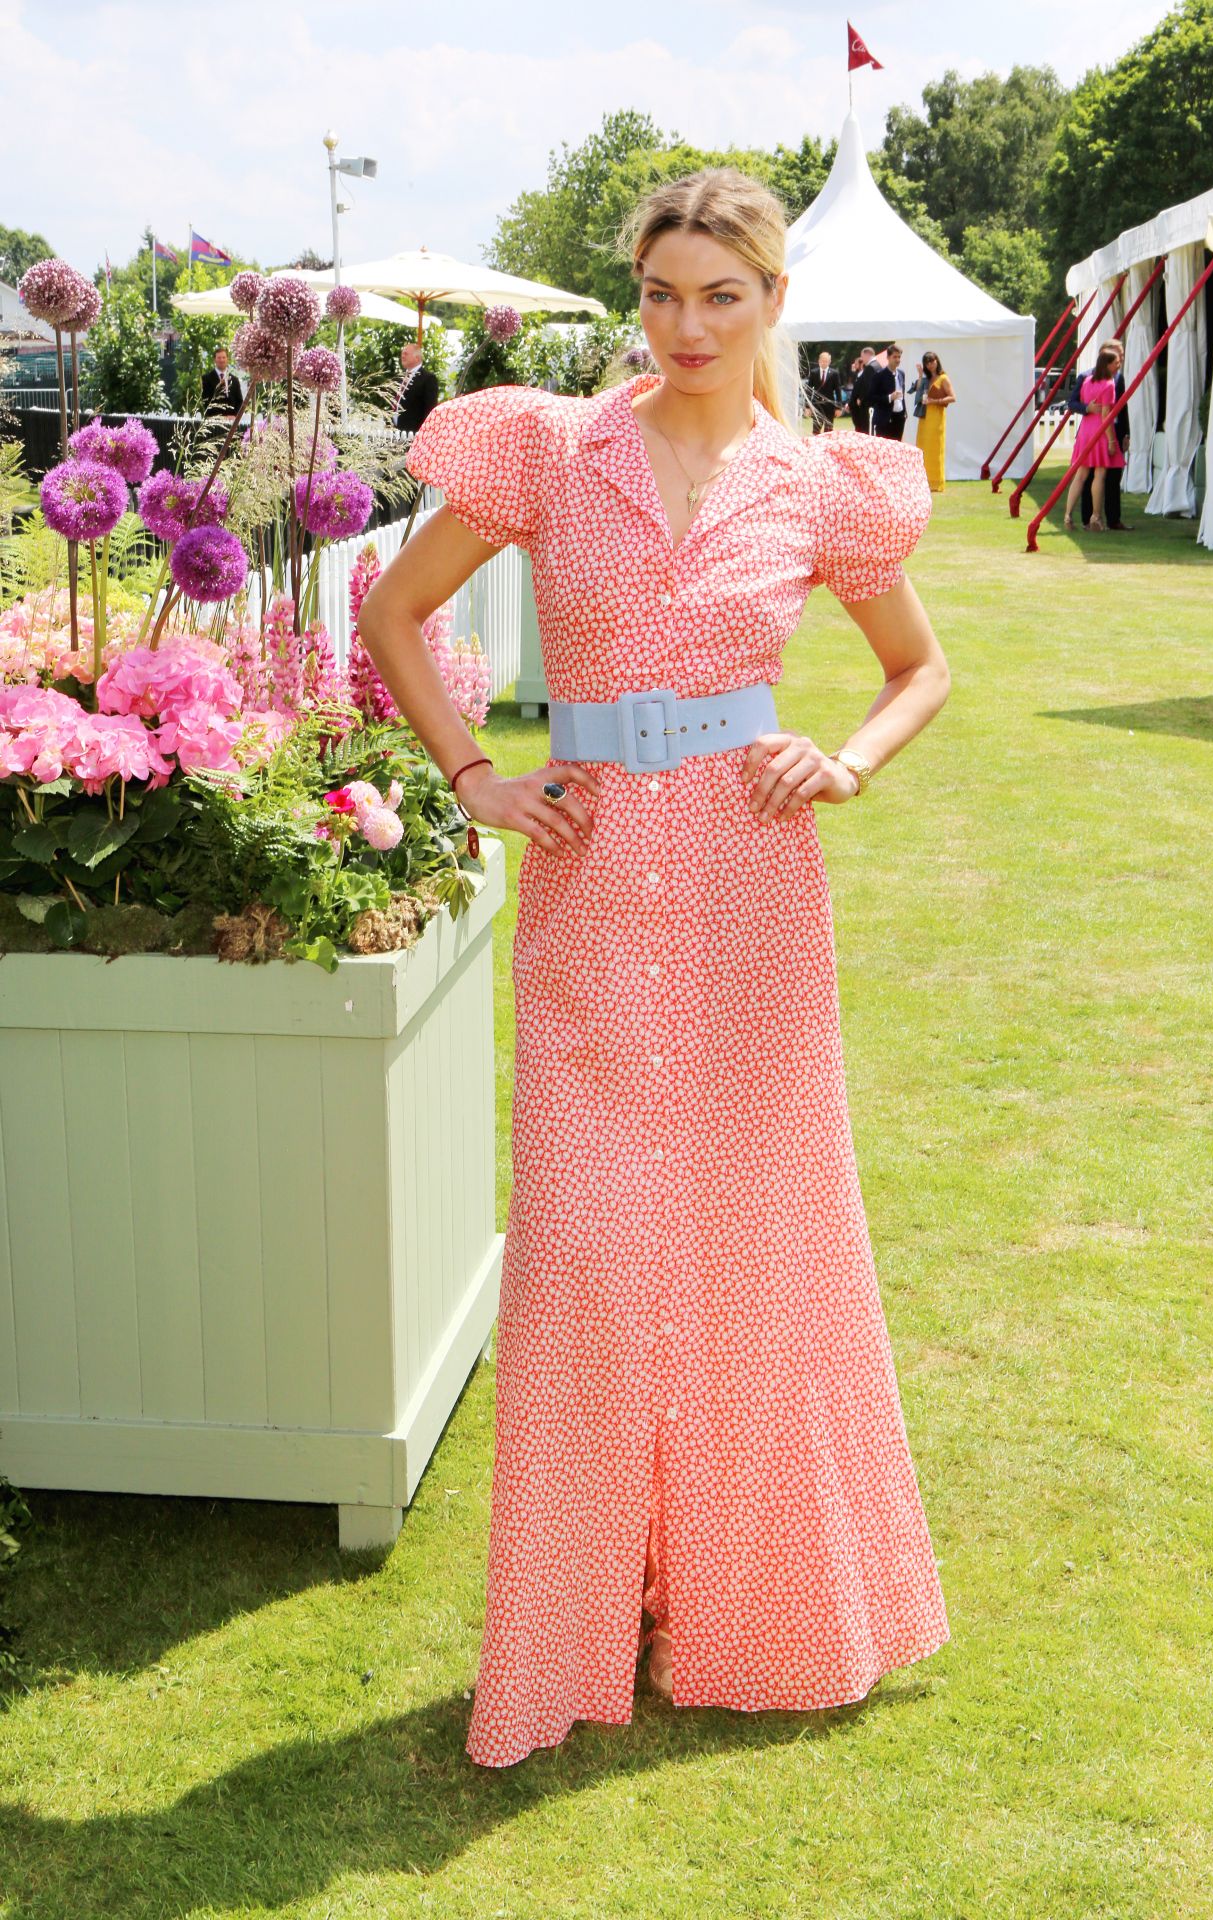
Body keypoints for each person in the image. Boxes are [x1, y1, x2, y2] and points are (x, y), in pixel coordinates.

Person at [358, 166, 951, 1771]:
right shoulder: (550, 448)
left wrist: (852, 760)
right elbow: (393, 608)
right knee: (597, 1259)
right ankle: (570, 1621)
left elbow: (918, 666)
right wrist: (475, 775)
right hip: (597, 885)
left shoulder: (825, 484)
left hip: (760, 895)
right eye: (663, 293)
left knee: (764, 1241)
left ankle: (755, 1601)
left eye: (723, 297)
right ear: (638, 295)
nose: (686, 326)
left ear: (771, 304)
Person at [1063, 344, 1125, 532]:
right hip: (1100, 432)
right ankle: (1096, 517)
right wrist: (1112, 441)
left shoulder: (1088, 380)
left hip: (1085, 431)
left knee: (1080, 475)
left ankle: (1067, 515)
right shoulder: (1109, 384)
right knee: (1099, 475)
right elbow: (1106, 414)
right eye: (1116, 362)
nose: (1119, 364)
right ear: (1107, 364)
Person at [911, 351, 955, 493]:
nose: (930, 365)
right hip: (925, 418)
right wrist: (919, 375)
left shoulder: (943, 378)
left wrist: (934, 401)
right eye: (927, 362)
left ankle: (936, 482)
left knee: (935, 449)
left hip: (937, 419)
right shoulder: (926, 379)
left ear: (937, 361)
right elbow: (916, 391)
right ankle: (924, 481)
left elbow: (953, 397)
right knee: (923, 447)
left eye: (932, 361)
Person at [393, 340, 439, 435]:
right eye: (402, 354)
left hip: (413, 434)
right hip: (394, 432)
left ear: (417, 358)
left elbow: (430, 409)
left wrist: (424, 433)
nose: (403, 356)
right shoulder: (399, 378)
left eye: (406, 353)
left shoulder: (428, 378)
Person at [869, 345, 908, 440]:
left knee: (897, 447)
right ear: (888, 357)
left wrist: (904, 412)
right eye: (894, 357)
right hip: (884, 419)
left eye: (899, 357)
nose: (897, 359)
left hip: (899, 417)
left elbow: (902, 395)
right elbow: (871, 397)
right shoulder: (879, 375)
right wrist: (889, 397)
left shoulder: (901, 373)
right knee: (884, 449)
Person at [201, 346, 243, 416]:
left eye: (224, 357)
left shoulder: (235, 380)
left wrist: (234, 416)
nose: (222, 360)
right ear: (215, 360)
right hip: (214, 420)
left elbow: (239, 401)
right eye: (219, 358)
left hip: (232, 421)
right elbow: (205, 401)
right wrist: (219, 417)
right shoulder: (206, 379)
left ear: (227, 359)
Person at [806, 349, 841, 433]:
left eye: (826, 361)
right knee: (816, 430)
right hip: (817, 405)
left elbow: (838, 391)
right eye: (822, 361)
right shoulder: (814, 373)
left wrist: (838, 407)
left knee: (828, 431)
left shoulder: (834, 373)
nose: (824, 363)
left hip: (829, 405)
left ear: (829, 362)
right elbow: (809, 390)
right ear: (819, 361)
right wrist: (807, 406)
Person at [847, 345, 878, 433]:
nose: (862, 359)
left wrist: (862, 399)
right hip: (874, 403)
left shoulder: (870, 367)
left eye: (862, 356)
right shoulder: (878, 365)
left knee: (866, 429)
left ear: (867, 354)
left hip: (867, 405)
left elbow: (868, 386)